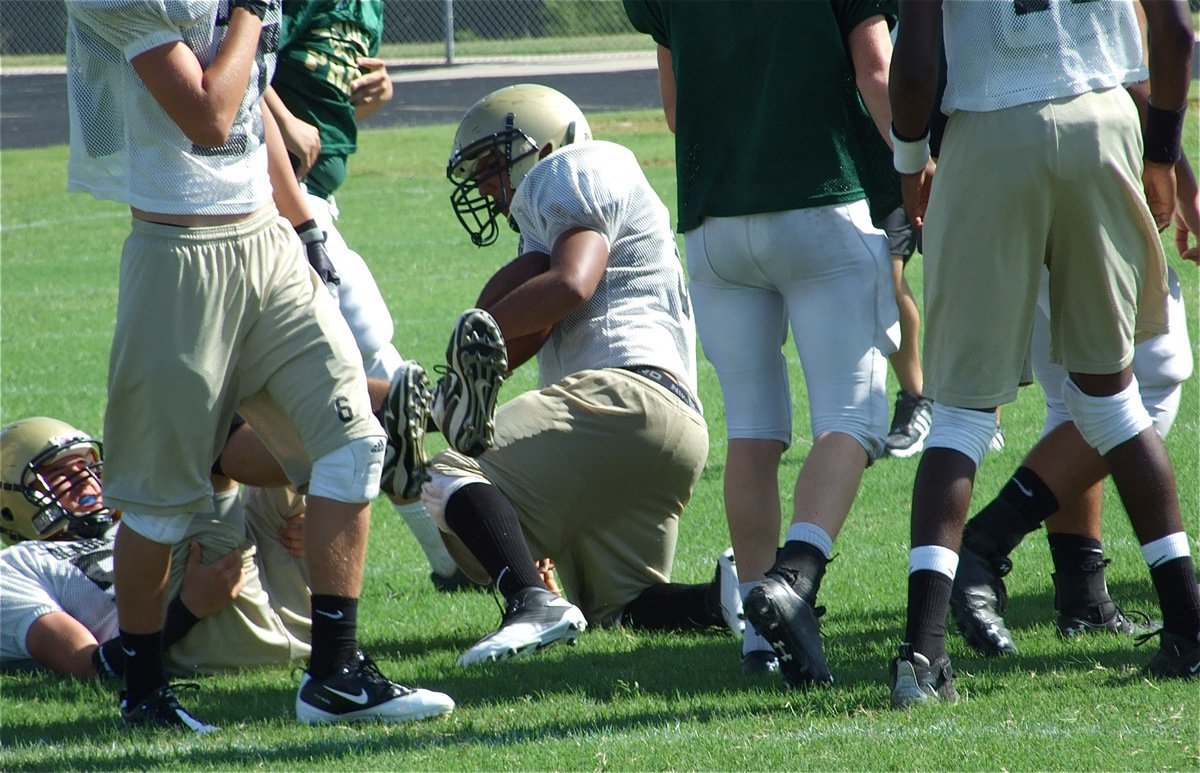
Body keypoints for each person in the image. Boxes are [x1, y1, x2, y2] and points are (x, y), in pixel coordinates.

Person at [63, 0, 453, 730]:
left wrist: (303, 221)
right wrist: (247, 11)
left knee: (355, 443)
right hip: (180, 260)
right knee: (158, 505)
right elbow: (208, 117)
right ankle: (143, 688)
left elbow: (247, 114)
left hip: (266, 241)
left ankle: (334, 672)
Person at [888, 0, 1199, 707]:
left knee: (963, 414)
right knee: (1115, 399)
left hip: (992, 126)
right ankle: (1188, 623)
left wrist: (911, 158)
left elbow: (916, 57)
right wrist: (1160, 151)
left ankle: (923, 654)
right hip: (1103, 120)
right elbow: (1177, 31)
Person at [377, 83, 738, 666]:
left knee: (451, 475)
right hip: (671, 429)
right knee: (620, 605)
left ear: (544, 146)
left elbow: (572, 283)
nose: (488, 187)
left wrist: (484, 322)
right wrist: (450, 396)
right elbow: (538, 325)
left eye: (494, 166)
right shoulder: (565, 211)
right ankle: (728, 599)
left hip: (622, 400)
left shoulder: (572, 167)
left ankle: (529, 602)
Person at [624, 0, 902, 684]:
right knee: (853, 419)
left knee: (752, 431)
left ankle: (758, 638)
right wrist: (918, 161)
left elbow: (675, 108)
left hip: (716, 219)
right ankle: (794, 577)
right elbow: (875, 70)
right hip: (819, 198)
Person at [950, 144, 1198, 654]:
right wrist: (1186, 186)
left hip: (995, 162)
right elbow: (1132, 75)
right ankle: (981, 545)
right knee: (1149, 379)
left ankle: (1083, 599)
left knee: (1075, 393)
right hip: (1080, 162)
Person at [264, 0, 470, 593]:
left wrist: (361, 100)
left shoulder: (367, 8)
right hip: (278, 198)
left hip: (313, 196)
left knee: (359, 380)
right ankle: (457, 548)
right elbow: (238, 60)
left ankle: (453, 555)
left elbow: (315, 76)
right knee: (376, 373)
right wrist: (282, 117)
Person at [0, 417, 311, 679]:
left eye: (86, 467)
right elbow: (90, 664)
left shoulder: (131, 525)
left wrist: (306, 529)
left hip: (290, 618)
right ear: (10, 504)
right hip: (202, 639)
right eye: (60, 476)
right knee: (206, 442)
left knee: (288, 439)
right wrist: (189, 609)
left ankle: (348, 403)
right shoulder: (16, 566)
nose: (86, 482)